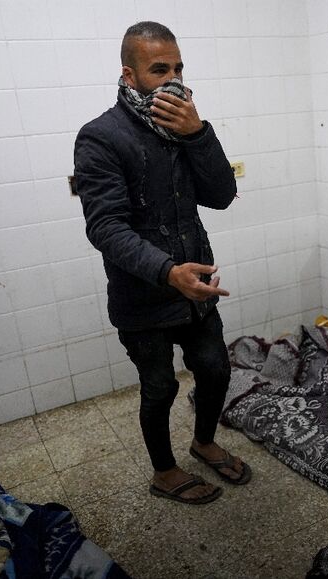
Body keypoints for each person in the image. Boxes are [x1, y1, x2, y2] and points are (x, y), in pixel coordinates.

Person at [73, 21, 250, 504]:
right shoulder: (101, 137)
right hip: (142, 294)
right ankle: (164, 472)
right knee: (159, 386)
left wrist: (198, 135)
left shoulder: (184, 126)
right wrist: (167, 272)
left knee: (214, 368)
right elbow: (105, 227)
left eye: (178, 67)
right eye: (159, 69)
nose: (173, 79)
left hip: (198, 286)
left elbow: (222, 195)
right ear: (130, 76)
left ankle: (205, 441)